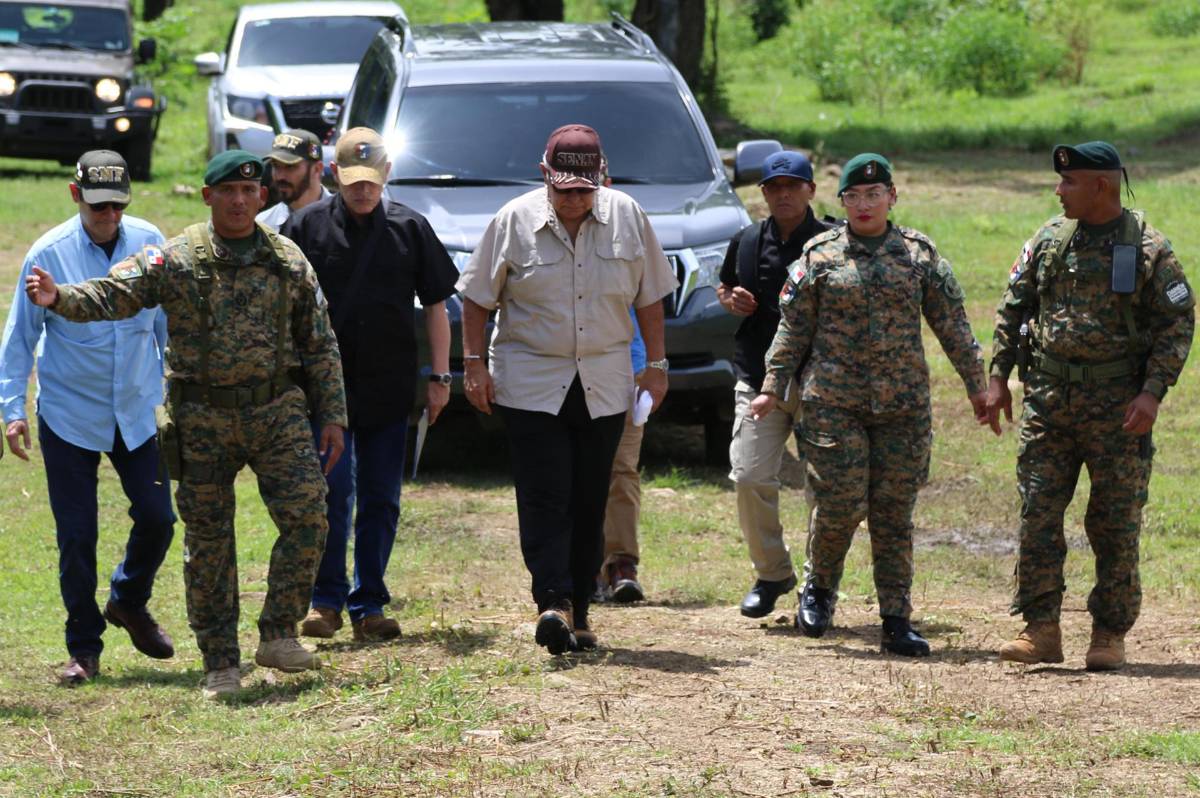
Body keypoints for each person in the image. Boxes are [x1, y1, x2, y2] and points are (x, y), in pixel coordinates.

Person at [25, 150, 348, 699]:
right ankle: (220, 660)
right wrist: (61, 298)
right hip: (202, 418)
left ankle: (278, 632)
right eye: (228, 192)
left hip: (276, 412)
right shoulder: (177, 258)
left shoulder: (287, 260)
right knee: (208, 543)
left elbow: (320, 343)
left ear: (262, 198)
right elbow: (113, 290)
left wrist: (333, 414)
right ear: (208, 197)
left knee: (309, 516)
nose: (240, 201)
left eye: (250, 192)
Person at [752, 153, 988, 656]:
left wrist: (977, 385)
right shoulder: (819, 256)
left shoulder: (919, 255)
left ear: (892, 197)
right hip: (834, 405)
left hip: (902, 409)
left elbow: (953, 325)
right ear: (841, 202)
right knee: (838, 504)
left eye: (874, 195)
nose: (864, 204)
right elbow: (793, 328)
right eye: (854, 197)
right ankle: (819, 591)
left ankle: (896, 617)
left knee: (893, 512)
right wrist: (773, 385)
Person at [457, 124, 677, 654]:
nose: (575, 199)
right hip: (531, 379)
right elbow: (477, 298)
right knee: (544, 493)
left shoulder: (628, 215)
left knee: (589, 495)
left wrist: (658, 365)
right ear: (544, 177)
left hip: (603, 380)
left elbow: (650, 297)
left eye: (584, 189)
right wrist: (472, 364)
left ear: (601, 176)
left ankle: (579, 609)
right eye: (564, 190)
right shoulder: (514, 221)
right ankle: (551, 601)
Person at [987, 141, 1194, 671]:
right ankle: (1041, 629)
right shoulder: (1050, 241)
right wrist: (997, 378)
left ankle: (1108, 634)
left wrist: (1152, 391)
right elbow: (1014, 308)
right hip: (1049, 403)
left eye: (1068, 182)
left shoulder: (1148, 248)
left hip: (1117, 408)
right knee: (1038, 513)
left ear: (1100, 185)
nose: (1059, 191)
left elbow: (1178, 323)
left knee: (1114, 521)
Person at [0, 150, 176, 686]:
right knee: (77, 536)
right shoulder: (47, 254)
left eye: (118, 206)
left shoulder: (151, 243)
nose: (110, 216)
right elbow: (19, 340)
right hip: (69, 413)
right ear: (76, 196)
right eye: (99, 206)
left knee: (158, 519)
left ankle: (127, 599)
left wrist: (181, 385)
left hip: (135, 409)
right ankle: (84, 649)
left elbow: (168, 322)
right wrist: (12, 411)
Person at [282, 127, 459, 642]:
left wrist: (441, 376)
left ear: (386, 176)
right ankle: (326, 599)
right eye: (353, 181)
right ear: (334, 175)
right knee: (330, 496)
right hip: (325, 391)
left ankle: (371, 601)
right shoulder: (305, 228)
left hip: (388, 387)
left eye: (372, 181)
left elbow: (437, 306)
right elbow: (282, 309)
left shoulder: (410, 228)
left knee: (381, 498)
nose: (363, 191)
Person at [716, 150, 832, 620]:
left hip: (820, 383)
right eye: (773, 187)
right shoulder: (746, 240)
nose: (783, 194)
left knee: (824, 490)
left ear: (810, 191)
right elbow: (724, 287)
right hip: (756, 378)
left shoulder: (833, 242)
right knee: (748, 476)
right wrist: (730, 299)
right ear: (763, 193)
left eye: (792, 186)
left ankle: (817, 584)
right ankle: (772, 573)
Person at [595, 310, 647, 604]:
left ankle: (622, 566)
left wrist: (655, 366)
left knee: (623, 469)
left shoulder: (639, 260)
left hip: (628, 369)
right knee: (576, 470)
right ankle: (584, 568)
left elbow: (650, 303)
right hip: (566, 372)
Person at [256, 129, 331, 232]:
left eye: (290, 167)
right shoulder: (264, 225)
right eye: (276, 166)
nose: (280, 176)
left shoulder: (345, 218)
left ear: (317, 169)